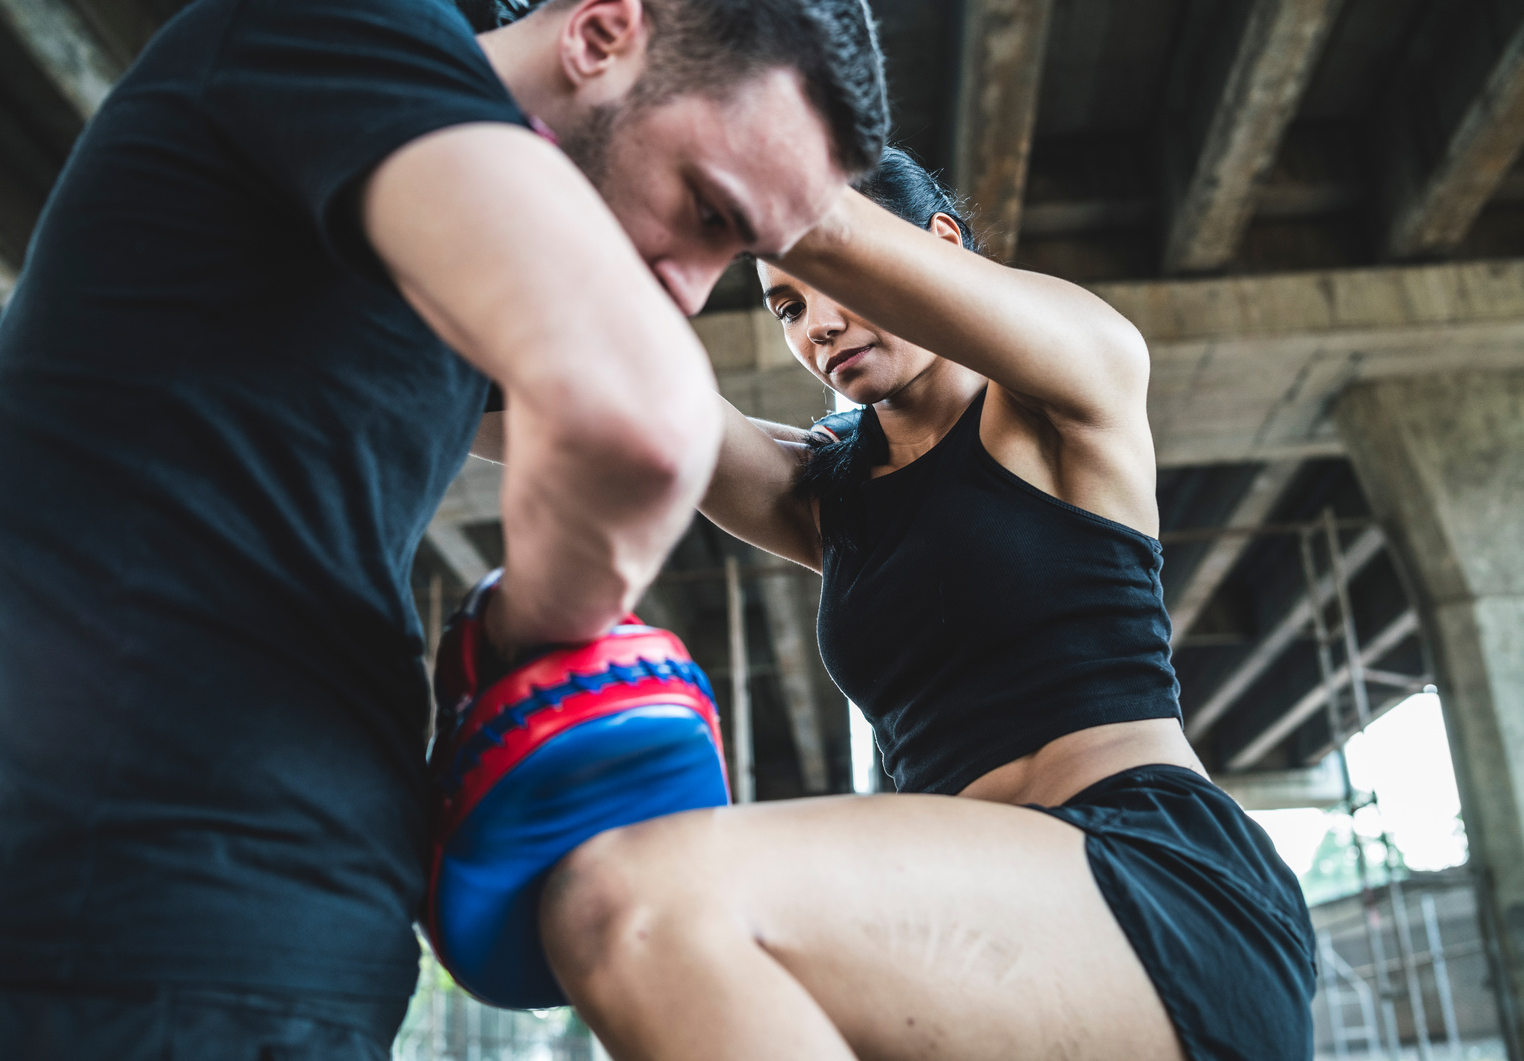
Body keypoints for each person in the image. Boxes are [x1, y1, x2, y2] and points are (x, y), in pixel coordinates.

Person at [0, 0, 886, 1055]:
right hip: (128, 930)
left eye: (739, 254)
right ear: (602, 32)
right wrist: (538, 635)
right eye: (706, 210)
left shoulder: (437, 259)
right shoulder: (347, 24)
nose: (692, 291)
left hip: (295, 942)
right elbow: (641, 418)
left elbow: (714, 450)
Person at [532, 150, 1317, 1061]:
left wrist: (704, 143)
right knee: (620, 916)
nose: (817, 325)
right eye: (786, 305)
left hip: (1152, 892)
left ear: (938, 244)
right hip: (970, 943)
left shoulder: (1066, 395)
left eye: (830, 281)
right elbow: (575, 400)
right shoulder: (825, 494)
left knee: (630, 898)